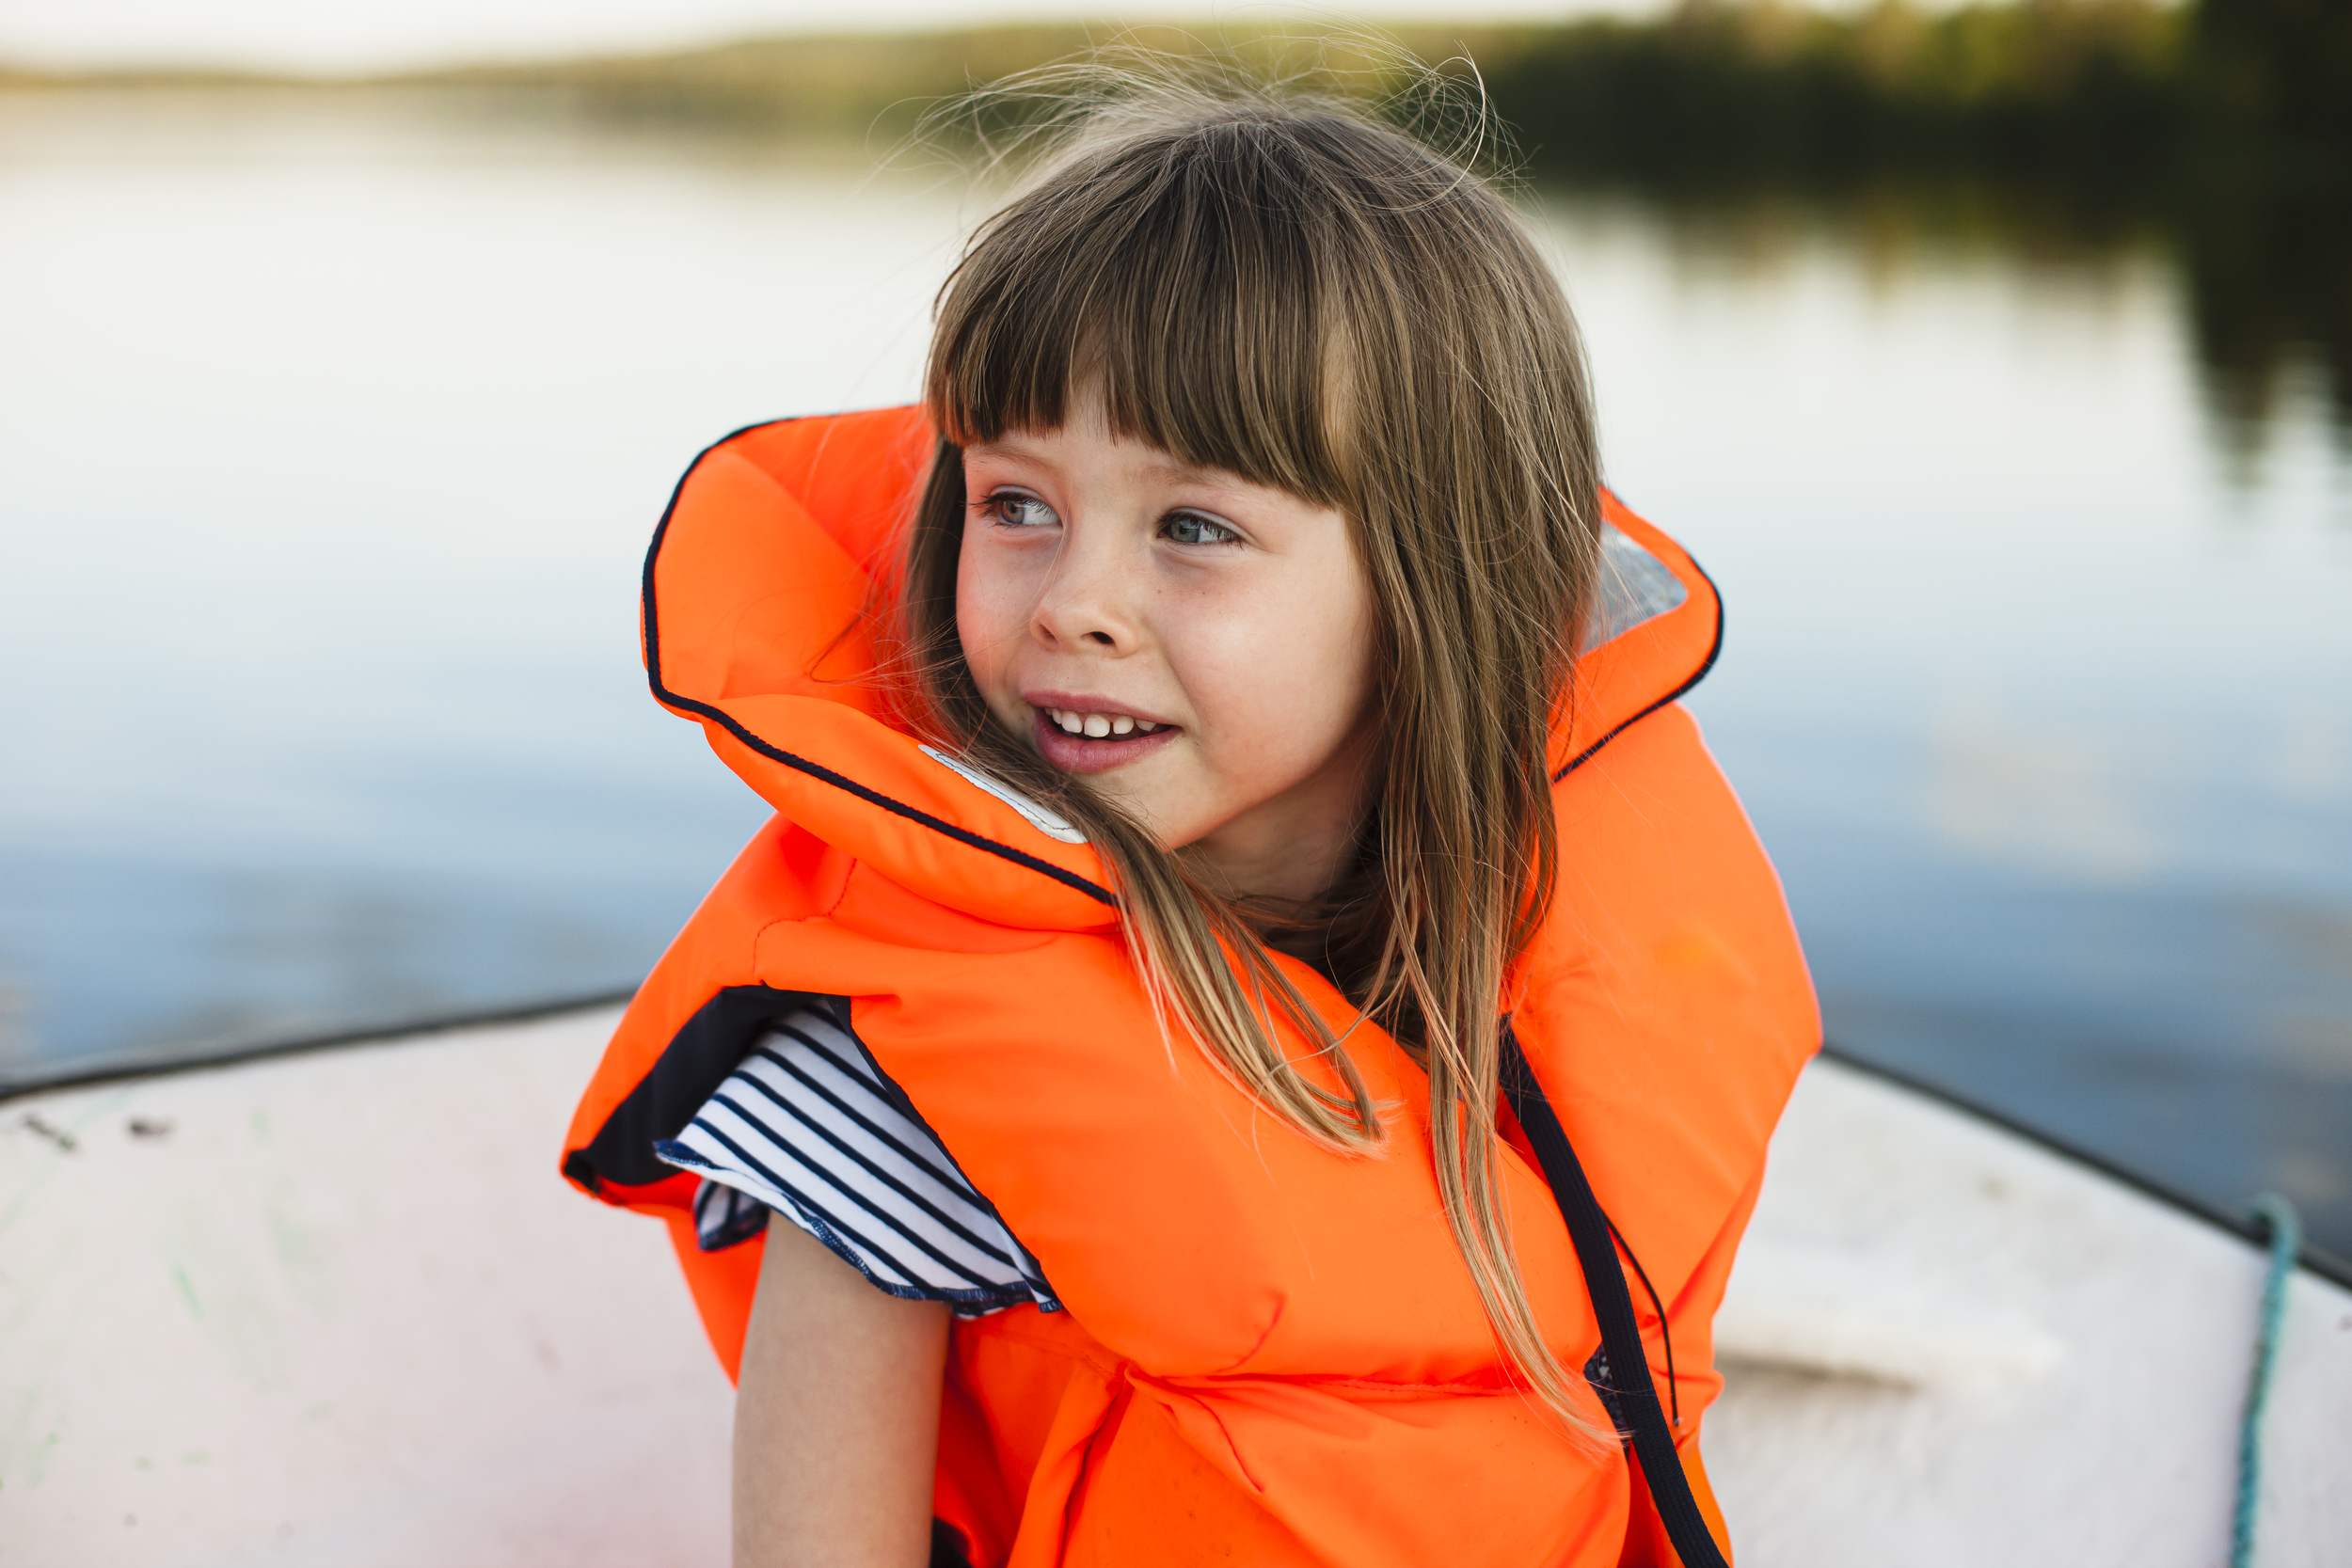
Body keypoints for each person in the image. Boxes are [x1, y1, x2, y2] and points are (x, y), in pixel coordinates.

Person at [562, 66, 1818, 1568]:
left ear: (1438, 584)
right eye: (1018, 504)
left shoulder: (1555, 971)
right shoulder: (911, 1052)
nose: (1075, 605)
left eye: (1196, 528)